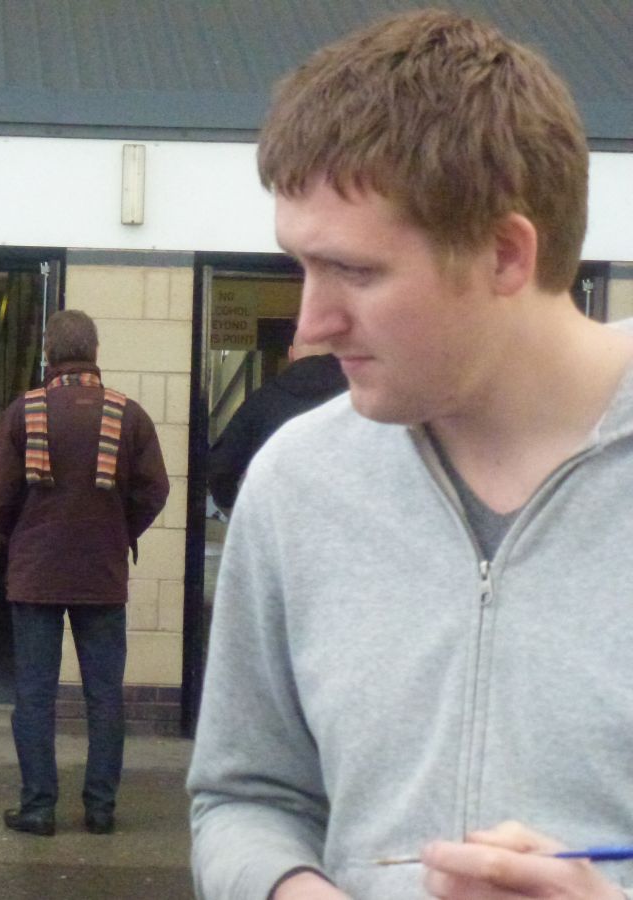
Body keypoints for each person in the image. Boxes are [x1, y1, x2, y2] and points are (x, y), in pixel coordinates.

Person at [188, 9, 633, 900]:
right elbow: (242, 796)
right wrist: (287, 887)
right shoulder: (296, 482)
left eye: (356, 272)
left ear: (506, 253)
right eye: (301, 268)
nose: (311, 323)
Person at [0, 309, 170, 837]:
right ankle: (101, 808)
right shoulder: (128, 415)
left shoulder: (24, 412)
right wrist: (118, 529)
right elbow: (155, 490)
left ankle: (39, 807)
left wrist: (20, 535)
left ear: (48, 352)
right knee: (105, 695)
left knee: (35, 694)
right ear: (95, 351)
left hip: (36, 574)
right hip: (102, 576)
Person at [208, 337, 347, 510]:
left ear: (291, 354)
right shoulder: (366, 401)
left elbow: (221, 469)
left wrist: (242, 510)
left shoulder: (262, 401)